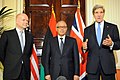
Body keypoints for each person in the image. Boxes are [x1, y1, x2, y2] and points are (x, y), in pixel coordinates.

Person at [82, 4, 120, 80]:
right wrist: (84, 48)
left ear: (103, 13)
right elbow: (85, 45)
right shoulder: (87, 30)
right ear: (93, 14)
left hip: (108, 66)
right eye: (96, 12)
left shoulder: (112, 27)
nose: (99, 15)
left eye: (101, 12)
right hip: (92, 67)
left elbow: (118, 44)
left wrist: (112, 44)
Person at [0, 13, 33, 80]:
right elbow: (1, 52)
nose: (26, 22)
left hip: (25, 71)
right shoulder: (7, 34)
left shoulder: (30, 36)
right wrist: (8, 63)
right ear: (17, 21)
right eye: (23, 20)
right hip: (11, 71)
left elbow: (28, 53)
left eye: (27, 20)